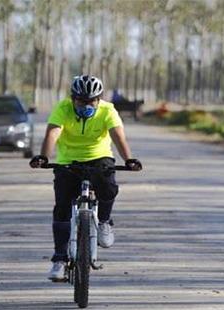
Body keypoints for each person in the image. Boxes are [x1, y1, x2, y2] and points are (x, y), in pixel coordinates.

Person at [29, 75, 142, 281]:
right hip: (68, 160)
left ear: (99, 99)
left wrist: (129, 159)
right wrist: (44, 156)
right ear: (73, 99)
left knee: (108, 187)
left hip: (99, 157)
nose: (87, 105)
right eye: (81, 100)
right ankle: (59, 260)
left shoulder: (108, 110)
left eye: (92, 101)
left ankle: (105, 221)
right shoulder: (62, 109)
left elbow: (118, 136)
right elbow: (53, 133)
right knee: (62, 207)